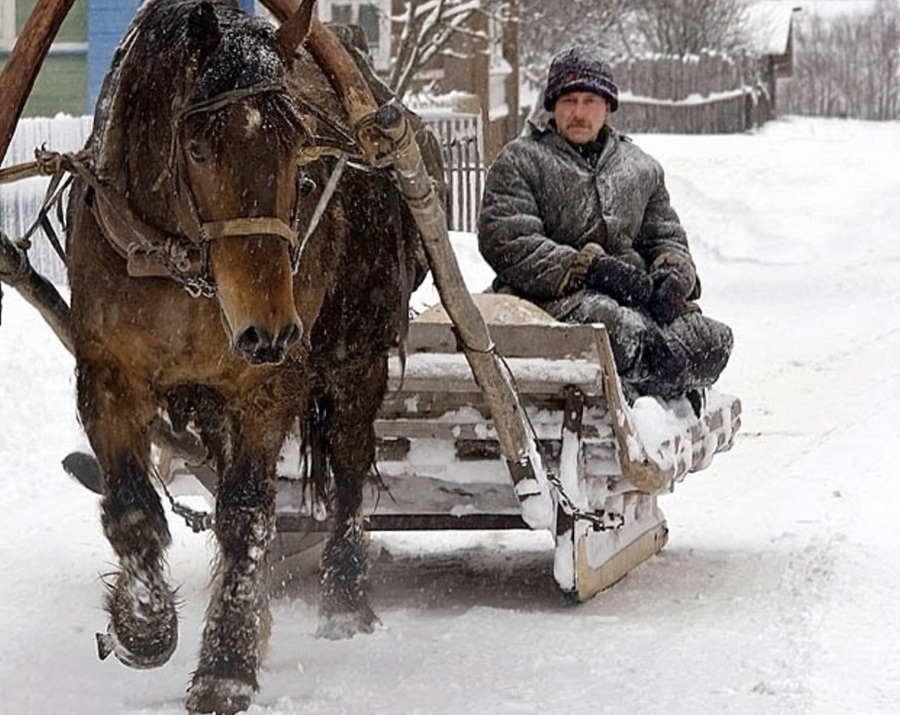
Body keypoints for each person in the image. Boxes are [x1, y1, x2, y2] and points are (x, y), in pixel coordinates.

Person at [477, 45, 733, 404]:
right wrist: (591, 268)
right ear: (552, 105)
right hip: (549, 301)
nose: (578, 112)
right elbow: (508, 240)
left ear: (608, 106)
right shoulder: (520, 161)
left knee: (713, 341)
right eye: (568, 100)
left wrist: (673, 275)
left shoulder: (640, 167)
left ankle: (648, 387)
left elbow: (666, 236)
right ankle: (651, 391)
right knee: (616, 329)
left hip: (638, 299)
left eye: (589, 100)